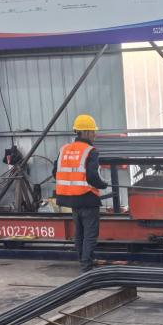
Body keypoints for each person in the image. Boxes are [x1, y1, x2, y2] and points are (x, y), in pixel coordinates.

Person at [53, 114, 108, 273]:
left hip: (71, 200)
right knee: (90, 235)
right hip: (87, 198)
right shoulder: (90, 151)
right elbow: (93, 176)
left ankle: (83, 261)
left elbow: (55, 172)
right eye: (93, 131)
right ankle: (86, 268)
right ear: (85, 132)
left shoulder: (64, 149)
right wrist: (103, 184)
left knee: (79, 233)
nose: (94, 134)